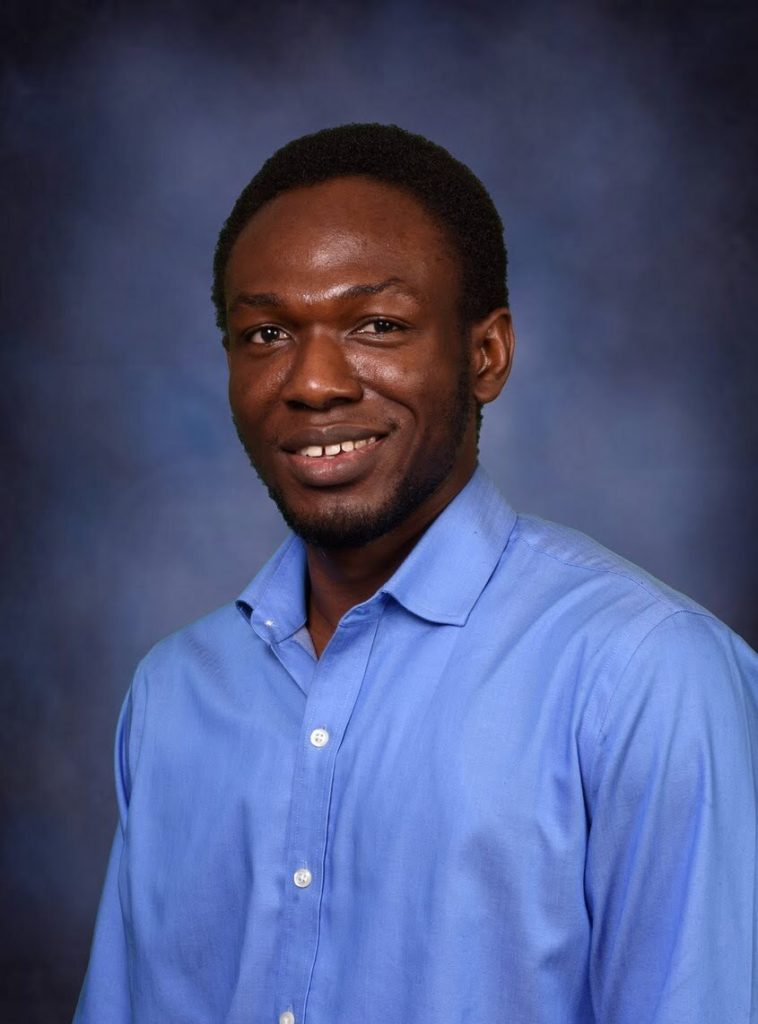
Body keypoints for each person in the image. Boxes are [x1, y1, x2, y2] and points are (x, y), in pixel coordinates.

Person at [73, 124, 757, 1024]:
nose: (312, 382)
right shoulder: (171, 698)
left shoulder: (648, 677)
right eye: (267, 331)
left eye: (378, 326)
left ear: (487, 356)